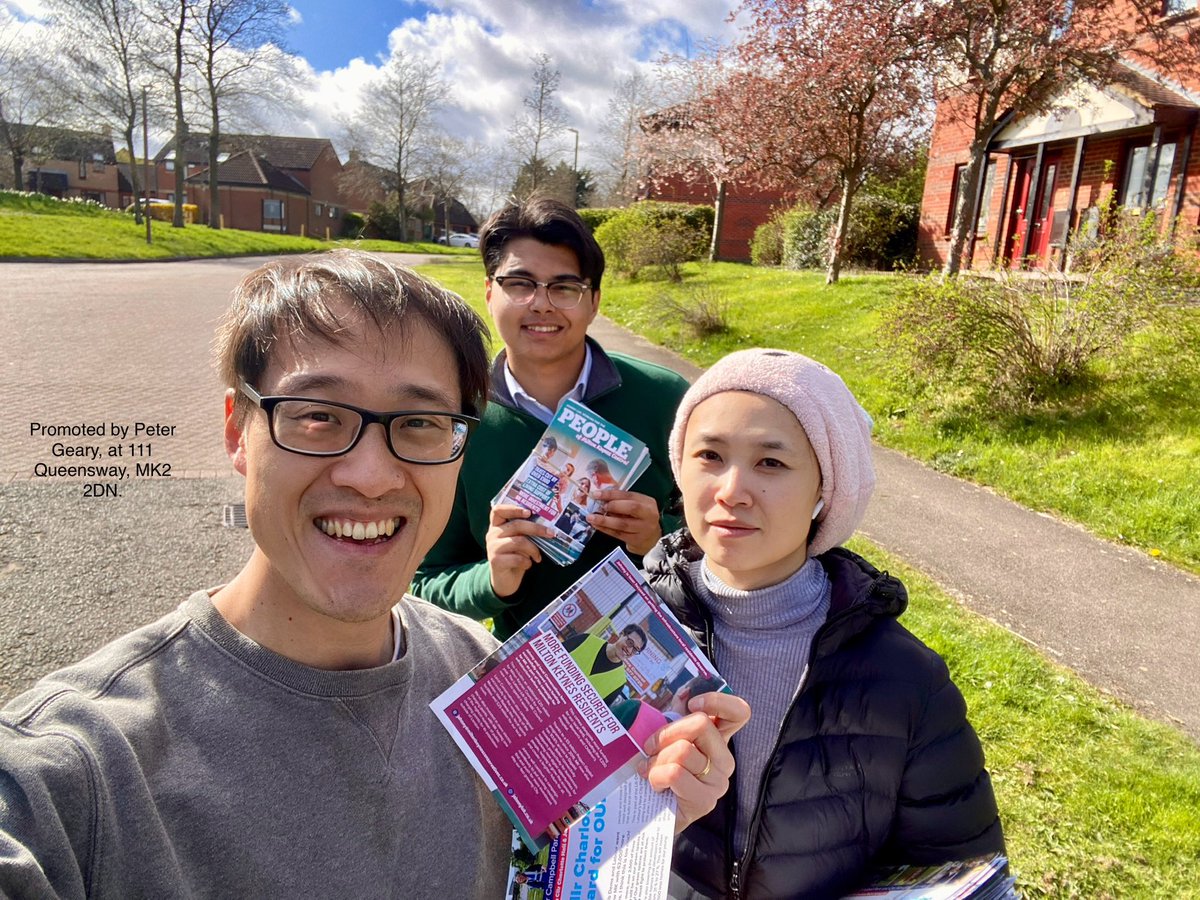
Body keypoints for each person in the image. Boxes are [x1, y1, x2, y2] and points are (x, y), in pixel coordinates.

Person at [0, 251, 747, 899]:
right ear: (237, 430)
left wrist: (640, 823)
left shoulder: (490, 675)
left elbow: (547, 872)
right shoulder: (74, 772)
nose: (370, 475)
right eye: (318, 415)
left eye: (419, 423)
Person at [643, 348, 1005, 899]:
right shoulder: (622, 630)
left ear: (824, 490)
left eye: (771, 463)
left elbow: (956, 870)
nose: (730, 490)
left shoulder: (904, 679)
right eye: (710, 455)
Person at [413, 198, 690, 640]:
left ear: (594, 301)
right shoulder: (453, 419)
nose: (541, 304)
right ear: (490, 292)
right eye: (520, 284)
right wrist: (492, 579)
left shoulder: (666, 399)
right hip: (529, 680)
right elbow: (423, 583)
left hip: (661, 659)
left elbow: (728, 542)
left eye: (564, 288)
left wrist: (659, 538)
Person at [562, 623, 648, 705]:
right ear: (621, 634)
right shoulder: (586, 640)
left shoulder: (619, 682)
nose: (629, 650)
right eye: (630, 643)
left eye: (635, 650)